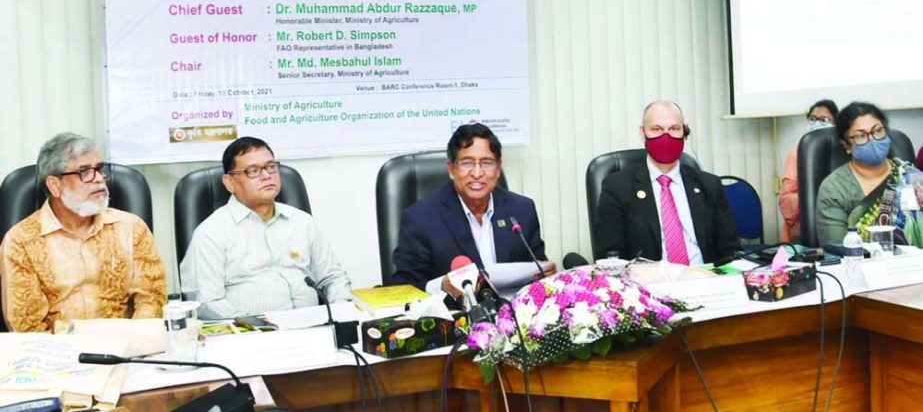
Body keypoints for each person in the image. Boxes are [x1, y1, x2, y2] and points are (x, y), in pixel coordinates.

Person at [0, 133, 166, 332]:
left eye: (98, 169)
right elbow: (26, 325)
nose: (97, 179)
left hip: (127, 350)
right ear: (55, 185)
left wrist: (134, 344)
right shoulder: (20, 242)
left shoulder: (131, 228)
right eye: (84, 172)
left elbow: (152, 299)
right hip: (59, 355)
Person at [180, 137, 351, 320]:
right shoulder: (211, 233)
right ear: (229, 182)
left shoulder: (302, 222)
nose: (266, 175)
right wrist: (253, 327)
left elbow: (333, 278)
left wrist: (340, 313)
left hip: (313, 327)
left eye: (271, 167)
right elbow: (207, 303)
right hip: (249, 336)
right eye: (253, 171)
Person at [388, 123, 555, 294]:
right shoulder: (420, 218)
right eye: (467, 163)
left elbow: (538, 270)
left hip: (514, 315)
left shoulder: (522, 210)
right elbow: (402, 288)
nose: (477, 173)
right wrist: (441, 287)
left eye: (487, 163)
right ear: (451, 169)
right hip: (455, 316)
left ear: (498, 169)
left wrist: (546, 273)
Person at [593, 101, 741, 264]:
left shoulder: (709, 185)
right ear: (643, 133)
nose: (666, 136)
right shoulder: (617, 187)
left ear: (684, 131)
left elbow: (731, 251)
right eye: (656, 129)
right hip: (648, 283)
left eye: (674, 129)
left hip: (703, 279)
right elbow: (611, 258)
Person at [816, 102, 922, 246]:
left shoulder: (910, 177)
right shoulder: (834, 188)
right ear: (847, 145)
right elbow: (836, 248)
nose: (872, 139)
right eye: (860, 136)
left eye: (878, 131)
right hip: (860, 265)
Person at [778, 100, 839, 242]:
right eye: (812, 119)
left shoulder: (845, 152)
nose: (816, 123)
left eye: (824, 120)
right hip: (804, 225)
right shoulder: (797, 153)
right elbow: (786, 199)